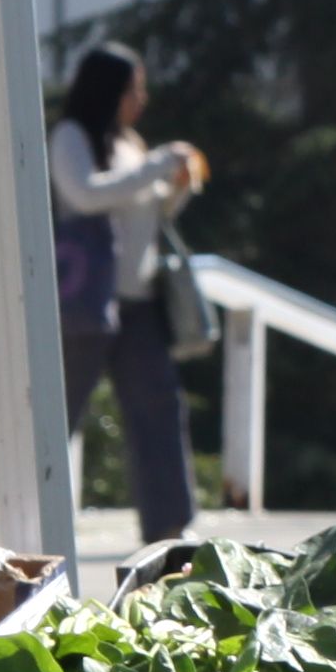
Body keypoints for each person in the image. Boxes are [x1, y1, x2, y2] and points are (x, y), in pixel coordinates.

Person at [52, 42, 206, 545]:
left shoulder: (130, 142)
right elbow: (86, 194)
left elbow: (150, 210)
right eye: (133, 88)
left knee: (158, 407)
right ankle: (26, 518)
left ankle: (169, 526)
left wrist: (177, 184)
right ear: (110, 90)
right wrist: (159, 164)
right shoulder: (71, 137)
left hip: (138, 301)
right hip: (85, 302)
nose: (141, 98)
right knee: (59, 414)